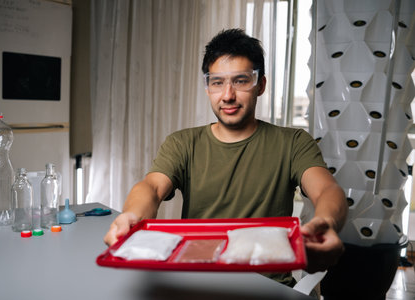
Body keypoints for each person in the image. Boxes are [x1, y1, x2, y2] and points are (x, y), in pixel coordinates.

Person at [104, 28, 348, 287]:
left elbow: (326, 190)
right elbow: (151, 187)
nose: (228, 95)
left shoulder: (294, 142)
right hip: (196, 281)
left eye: (241, 81)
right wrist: (132, 216)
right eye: (217, 82)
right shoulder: (183, 143)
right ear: (208, 87)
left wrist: (326, 221)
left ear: (260, 85)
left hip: (266, 285)